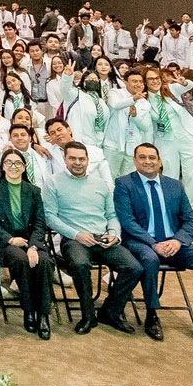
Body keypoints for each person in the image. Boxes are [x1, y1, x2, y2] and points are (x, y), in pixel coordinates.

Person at [115, 143, 193, 346]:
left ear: (160, 161)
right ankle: (152, 315)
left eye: (152, 157)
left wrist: (178, 240)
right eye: (143, 157)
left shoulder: (174, 185)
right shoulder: (124, 184)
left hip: (174, 242)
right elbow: (127, 221)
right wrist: (153, 243)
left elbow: (190, 220)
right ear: (135, 161)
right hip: (142, 242)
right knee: (149, 259)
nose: (148, 161)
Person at [43, 141, 139, 335]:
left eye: (82, 159)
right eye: (72, 158)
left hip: (102, 237)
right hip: (74, 239)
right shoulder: (53, 182)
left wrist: (114, 235)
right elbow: (49, 216)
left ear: (88, 160)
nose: (77, 163)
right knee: (79, 265)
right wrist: (76, 234)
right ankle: (88, 315)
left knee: (134, 268)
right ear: (65, 159)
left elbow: (112, 215)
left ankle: (110, 311)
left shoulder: (101, 184)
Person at [0, 147, 56, 339]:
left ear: (24, 167)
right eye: (9, 163)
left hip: (31, 240)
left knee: (45, 262)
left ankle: (43, 316)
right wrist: (10, 239)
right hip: (4, 242)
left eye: (18, 163)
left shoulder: (33, 191)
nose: (13, 166)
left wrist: (32, 246)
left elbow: (40, 222)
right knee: (22, 261)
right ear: (3, 166)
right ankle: (29, 310)